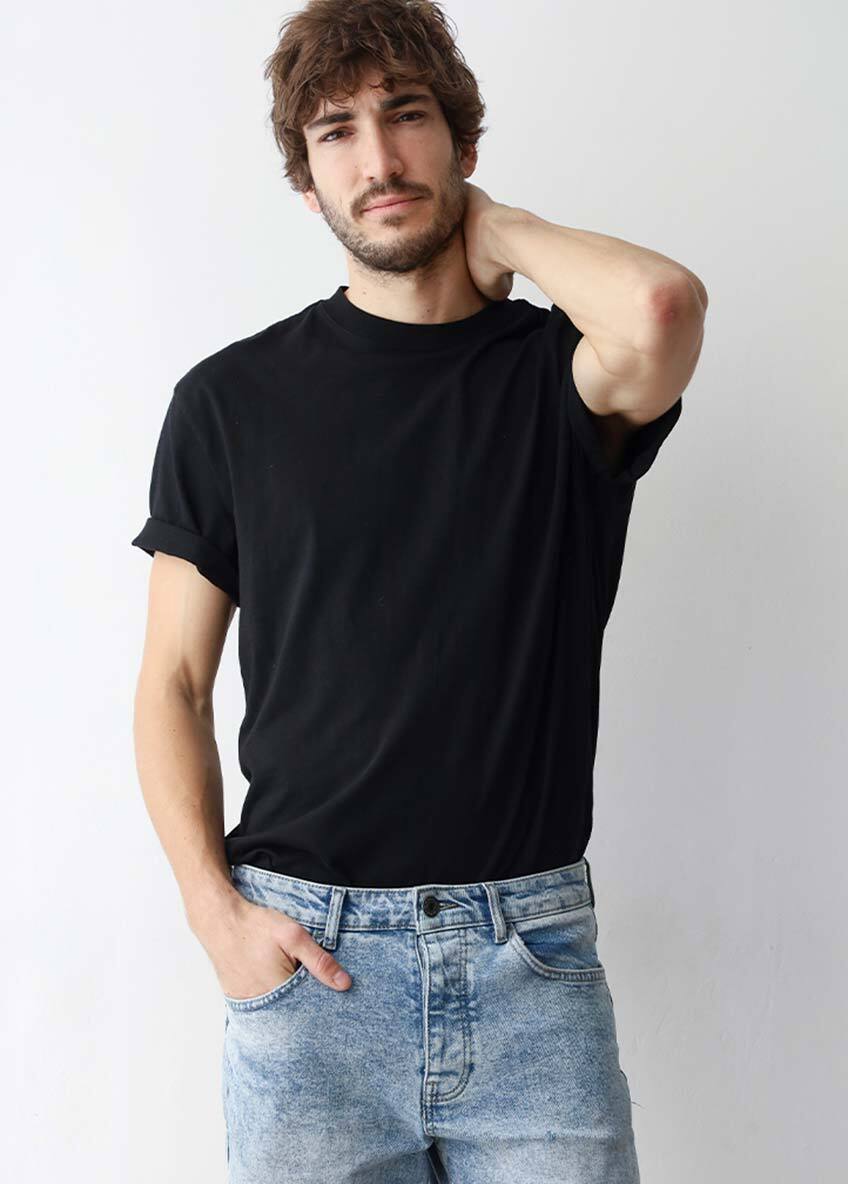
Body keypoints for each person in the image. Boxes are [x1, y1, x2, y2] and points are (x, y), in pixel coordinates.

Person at [131, 2, 707, 1181]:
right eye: (335, 132)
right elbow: (173, 681)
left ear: (461, 140)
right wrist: (212, 913)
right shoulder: (228, 402)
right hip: (308, 966)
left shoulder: (561, 377)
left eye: (405, 117)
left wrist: (503, 230)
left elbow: (661, 305)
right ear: (306, 181)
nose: (378, 159)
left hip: (526, 960)